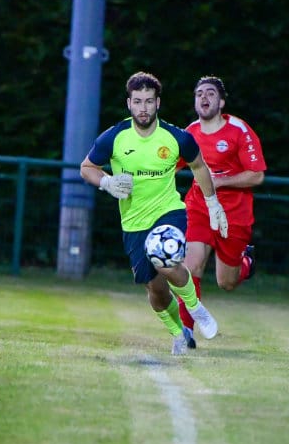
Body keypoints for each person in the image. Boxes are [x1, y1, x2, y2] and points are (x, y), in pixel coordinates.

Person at [80, 71, 229, 355]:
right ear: (129, 103)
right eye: (137, 101)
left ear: (158, 103)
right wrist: (107, 183)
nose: (143, 108)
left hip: (168, 211)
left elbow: (199, 166)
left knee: (164, 257)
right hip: (133, 223)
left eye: (149, 101)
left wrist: (213, 204)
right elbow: (86, 168)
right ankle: (178, 333)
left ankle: (196, 309)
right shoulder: (114, 137)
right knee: (156, 291)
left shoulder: (176, 137)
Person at [177, 75, 267, 349]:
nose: (204, 98)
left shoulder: (239, 130)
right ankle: (185, 331)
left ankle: (246, 263)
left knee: (226, 282)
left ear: (222, 102)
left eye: (210, 93)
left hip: (234, 214)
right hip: (199, 207)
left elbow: (257, 175)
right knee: (190, 265)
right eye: (199, 94)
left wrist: (221, 181)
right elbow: (169, 165)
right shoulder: (189, 133)